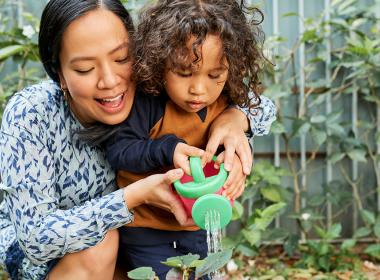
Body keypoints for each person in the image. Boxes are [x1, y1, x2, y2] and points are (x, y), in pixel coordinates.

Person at [0, 0, 275, 280]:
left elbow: (257, 105)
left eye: (121, 58)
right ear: (58, 71)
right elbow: (35, 240)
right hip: (62, 258)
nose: (110, 81)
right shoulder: (33, 113)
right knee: (101, 245)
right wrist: (133, 197)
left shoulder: (155, 83)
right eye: (84, 69)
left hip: (134, 246)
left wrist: (234, 121)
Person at [100, 0, 276, 278]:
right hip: (147, 228)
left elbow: (263, 113)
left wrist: (236, 165)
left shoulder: (229, 102)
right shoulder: (149, 103)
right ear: (159, 61)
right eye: (183, 73)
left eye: (215, 75)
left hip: (200, 224)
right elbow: (119, 151)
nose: (198, 89)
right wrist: (168, 149)